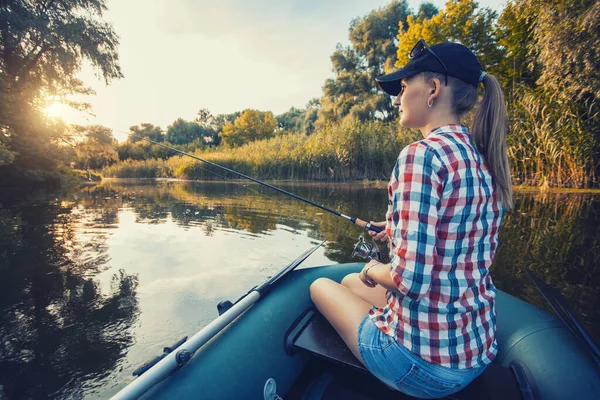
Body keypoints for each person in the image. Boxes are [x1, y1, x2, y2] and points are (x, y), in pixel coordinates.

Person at [309, 38, 513, 399]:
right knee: (350, 287)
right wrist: (395, 230)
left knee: (321, 286)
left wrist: (371, 268)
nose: (397, 97)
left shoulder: (421, 156)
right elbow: (457, 232)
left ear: (433, 89)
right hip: (477, 352)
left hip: (423, 366)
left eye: (403, 87)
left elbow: (409, 280)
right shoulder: (481, 156)